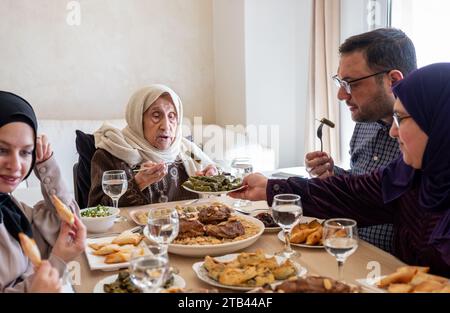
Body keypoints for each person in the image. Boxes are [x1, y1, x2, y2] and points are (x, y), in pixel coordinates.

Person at [231, 63, 450, 277]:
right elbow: (351, 193)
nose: (393, 131)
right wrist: (270, 188)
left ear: (439, 120)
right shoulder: (412, 173)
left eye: (400, 119)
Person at [305, 28, 417, 253]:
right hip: (352, 254)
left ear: (393, 80)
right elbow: (361, 187)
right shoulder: (364, 122)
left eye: (351, 83)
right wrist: (334, 175)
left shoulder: (425, 137)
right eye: (340, 82)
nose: (341, 95)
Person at [0, 91, 86, 292]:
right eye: (2, 150)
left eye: (25, 152)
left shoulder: (10, 205)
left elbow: (64, 222)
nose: (15, 165)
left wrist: (46, 164)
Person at [88, 84, 217, 207]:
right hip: (131, 230)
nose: (166, 126)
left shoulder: (187, 150)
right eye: (156, 116)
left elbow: (207, 166)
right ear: (138, 119)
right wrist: (138, 183)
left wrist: (212, 174)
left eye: (172, 117)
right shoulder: (112, 152)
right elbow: (97, 209)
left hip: (189, 228)